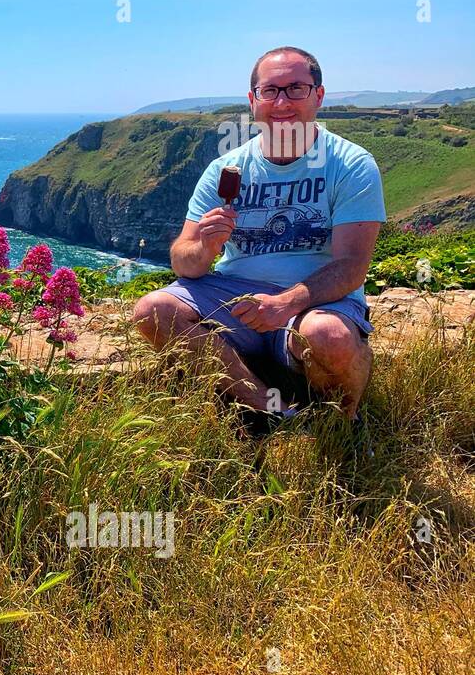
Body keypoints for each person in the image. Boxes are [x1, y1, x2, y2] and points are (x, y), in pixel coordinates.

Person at [131, 46, 385, 439]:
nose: (282, 102)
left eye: (296, 88)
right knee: (153, 309)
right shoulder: (226, 170)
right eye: (270, 91)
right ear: (253, 101)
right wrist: (205, 247)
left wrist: (286, 304)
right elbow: (183, 263)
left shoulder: (350, 164)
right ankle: (274, 413)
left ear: (318, 95)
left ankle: (345, 428)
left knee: (328, 337)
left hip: (316, 299)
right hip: (237, 295)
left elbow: (352, 265)